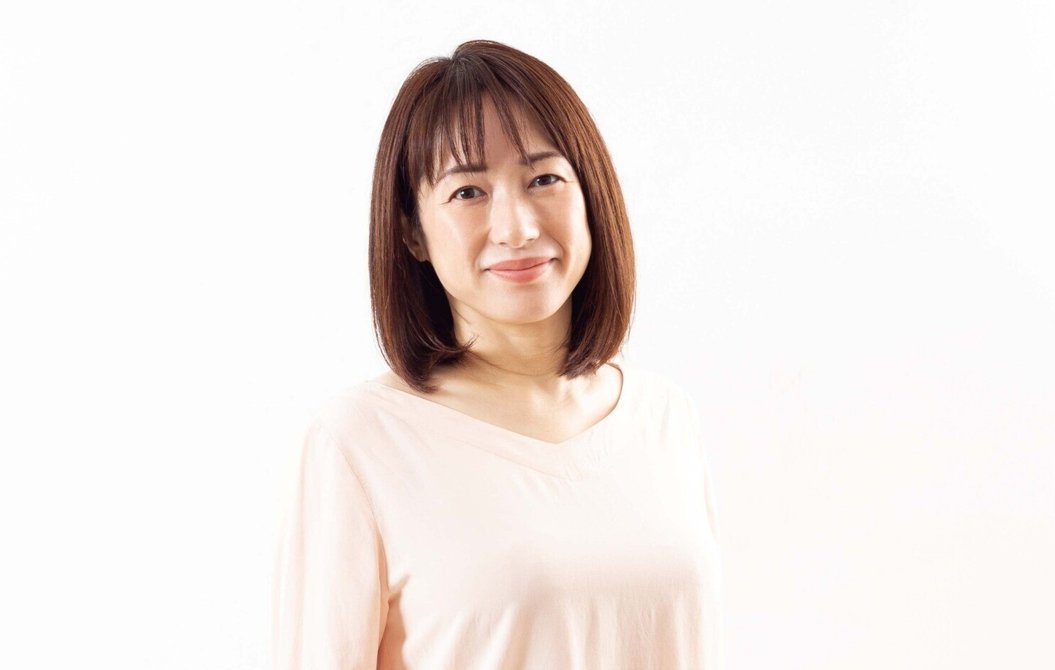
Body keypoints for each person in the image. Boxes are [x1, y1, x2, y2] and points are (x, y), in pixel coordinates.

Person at [273, 39, 725, 669]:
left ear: (591, 195)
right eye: (468, 192)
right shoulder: (361, 441)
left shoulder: (664, 418)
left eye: (544, 179)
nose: (518, 228)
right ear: (412, 231)